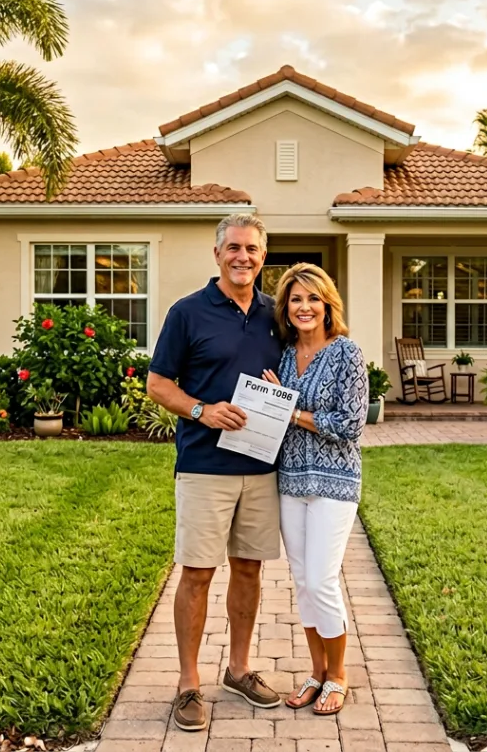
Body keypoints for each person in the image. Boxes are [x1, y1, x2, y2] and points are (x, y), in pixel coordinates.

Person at [146, 213, 285, 732]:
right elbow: (158, 384)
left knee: (249, 569)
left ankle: (240, 669)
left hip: (263, 466)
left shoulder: (280, 314)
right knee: (198, 573)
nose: (242, 257)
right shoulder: (188, 313)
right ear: (217, 254)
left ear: (263, 256)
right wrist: (202, 409)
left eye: (251, 248)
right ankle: (187, 683)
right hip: (205, 466)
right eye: (233, 248)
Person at [262, 262, 368, 716]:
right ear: (285, 308)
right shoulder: (284, 356)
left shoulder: (347, 354)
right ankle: (316, 672)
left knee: (323, 579)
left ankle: (339, 675)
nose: (304, 307)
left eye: (313, 298)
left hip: (334, 482)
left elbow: (350, 425)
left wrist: (290, 412)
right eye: (295, 299)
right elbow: (273, 412)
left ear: (328, 305)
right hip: (291, 479)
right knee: (302, 581)